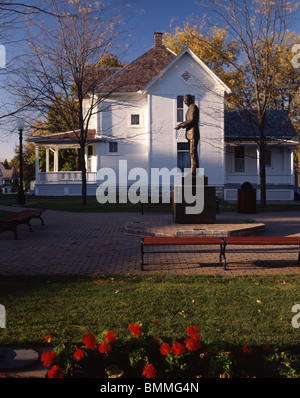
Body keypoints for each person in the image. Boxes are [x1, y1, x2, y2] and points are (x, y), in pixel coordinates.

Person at [175, 94, 199, 175]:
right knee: (191, 152)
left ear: (190, 100)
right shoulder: (189, 108)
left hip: (193, 133)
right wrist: (181, 125)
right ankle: (193, 170)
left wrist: (181, 125)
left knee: (193, 153)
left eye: (186, 101)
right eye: (184, 101)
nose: (185, 103)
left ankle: (194, 171)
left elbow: (191, 120)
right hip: (189, 133)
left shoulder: (193, 107)